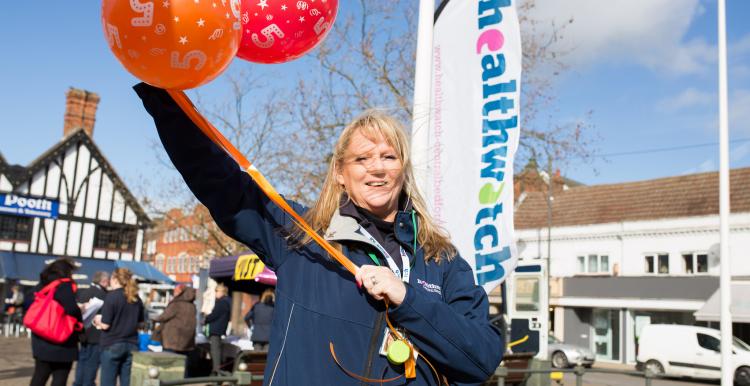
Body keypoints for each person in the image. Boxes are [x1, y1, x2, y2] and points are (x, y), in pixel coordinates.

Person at [135, 83, 503, 385]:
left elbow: (481, 358)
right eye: (362, 159)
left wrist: (407, 298)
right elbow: (219, 181)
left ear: (403, 171)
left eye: (389, 157)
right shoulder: (303, 234)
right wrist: (161, 91)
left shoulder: (441, 258)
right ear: (341, 173)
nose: (377, 169)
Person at [29, 259, 83, 386]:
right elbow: (71, 308)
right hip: (62, 342)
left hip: (41, 338)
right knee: (60, 378)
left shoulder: (42, 284)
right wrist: (80, 310)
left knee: (39, 376)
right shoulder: (64, 286)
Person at [94, 268, 144, 386]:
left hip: (112, 343)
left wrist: (97, 321)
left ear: (115, 279)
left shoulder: (111, 296)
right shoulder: (136, 298)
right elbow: (141, 324)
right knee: (126, 382)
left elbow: (105, 325)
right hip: (131, 344)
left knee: (108, 382)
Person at [73, 271, 109, 386]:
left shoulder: (84, 292)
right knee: (92, 364)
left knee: (82, 361)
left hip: (83, 334)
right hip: (96, 335)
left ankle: (78, 383)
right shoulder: (104, 295)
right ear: (103, 281)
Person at [152, 284, 197, 354]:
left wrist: (154, 318)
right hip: (186, 340)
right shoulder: (192, 306)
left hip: (172, 338)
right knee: (181, 362)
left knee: (170, 360)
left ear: (182, 292)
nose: (174, 293)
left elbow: (164, 316)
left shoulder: (176, 304)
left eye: (176, 291)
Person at [203, 284, 231, 374]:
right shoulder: (227, 301)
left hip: (216, 329)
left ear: (222, 292)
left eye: (216, 291)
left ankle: (216, 371)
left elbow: (215, 315)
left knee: (215, 351)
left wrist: (206, 318)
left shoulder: (222, 302)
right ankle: (217, 370)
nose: (215, 293)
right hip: (220, 329)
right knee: (217, 350)